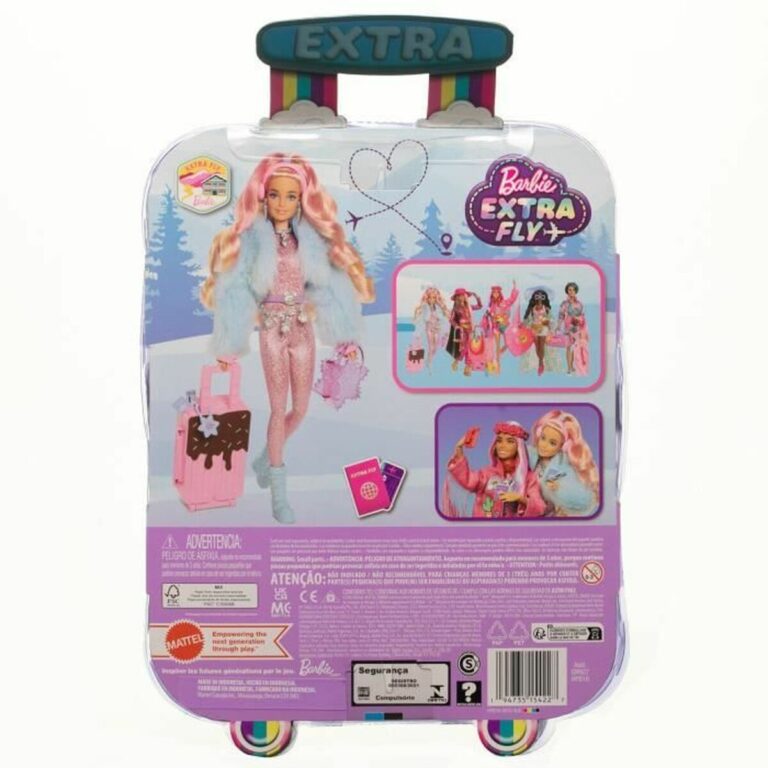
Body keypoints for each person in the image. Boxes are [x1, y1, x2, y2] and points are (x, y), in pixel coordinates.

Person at [200, 153, 374, 523]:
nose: (282, 203)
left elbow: (329, 287)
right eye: (275, 194)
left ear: (301, 199)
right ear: (263, 196)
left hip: (302, 329)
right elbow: (236, 292)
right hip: (272, 332)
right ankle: (279, 493)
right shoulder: (251, 240)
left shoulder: (309, 240)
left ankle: (267, 457)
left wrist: (344, 335)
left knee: (302, 408)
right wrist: (228, 345)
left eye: (291, 196)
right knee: (279, 409)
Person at [443, 422, 545, 519]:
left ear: (519, 447)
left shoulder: (528, 478)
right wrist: (459, 450)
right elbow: (468, 480)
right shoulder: (487, 474)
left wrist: (520, 498)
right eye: (499, 441)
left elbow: (540, 507)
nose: (502, 445)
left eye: (510, 441)